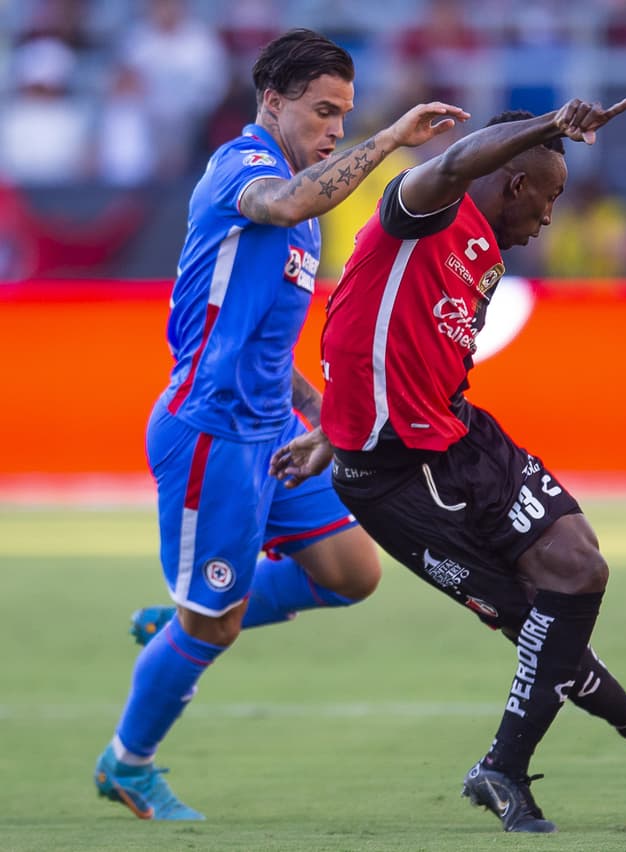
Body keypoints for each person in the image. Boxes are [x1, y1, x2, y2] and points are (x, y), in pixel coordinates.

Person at [268, 98, 626, 834]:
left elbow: (377, 346)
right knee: (541, 623)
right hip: (394, 482)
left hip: (460, 437)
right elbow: (457, 161)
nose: (553, 216)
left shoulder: (487, 258)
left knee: (579, 567)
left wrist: (334, 430)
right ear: (513, 183)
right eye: (550, 195)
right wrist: (548, 126)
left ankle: (510, 765)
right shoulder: (422, 211)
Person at [92, 28, 468, 821]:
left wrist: (320, 411)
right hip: (211, 434)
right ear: (273, 101)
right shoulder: (247, 169)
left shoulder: (303, 213)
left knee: (352, 574)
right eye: (324, 112)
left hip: (270, 432)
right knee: (215, 624)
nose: (336, 128)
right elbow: (294, 196)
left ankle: (189, 618)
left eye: (347, 115)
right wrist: (394, 136)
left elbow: (268, 342)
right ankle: (129, 763)